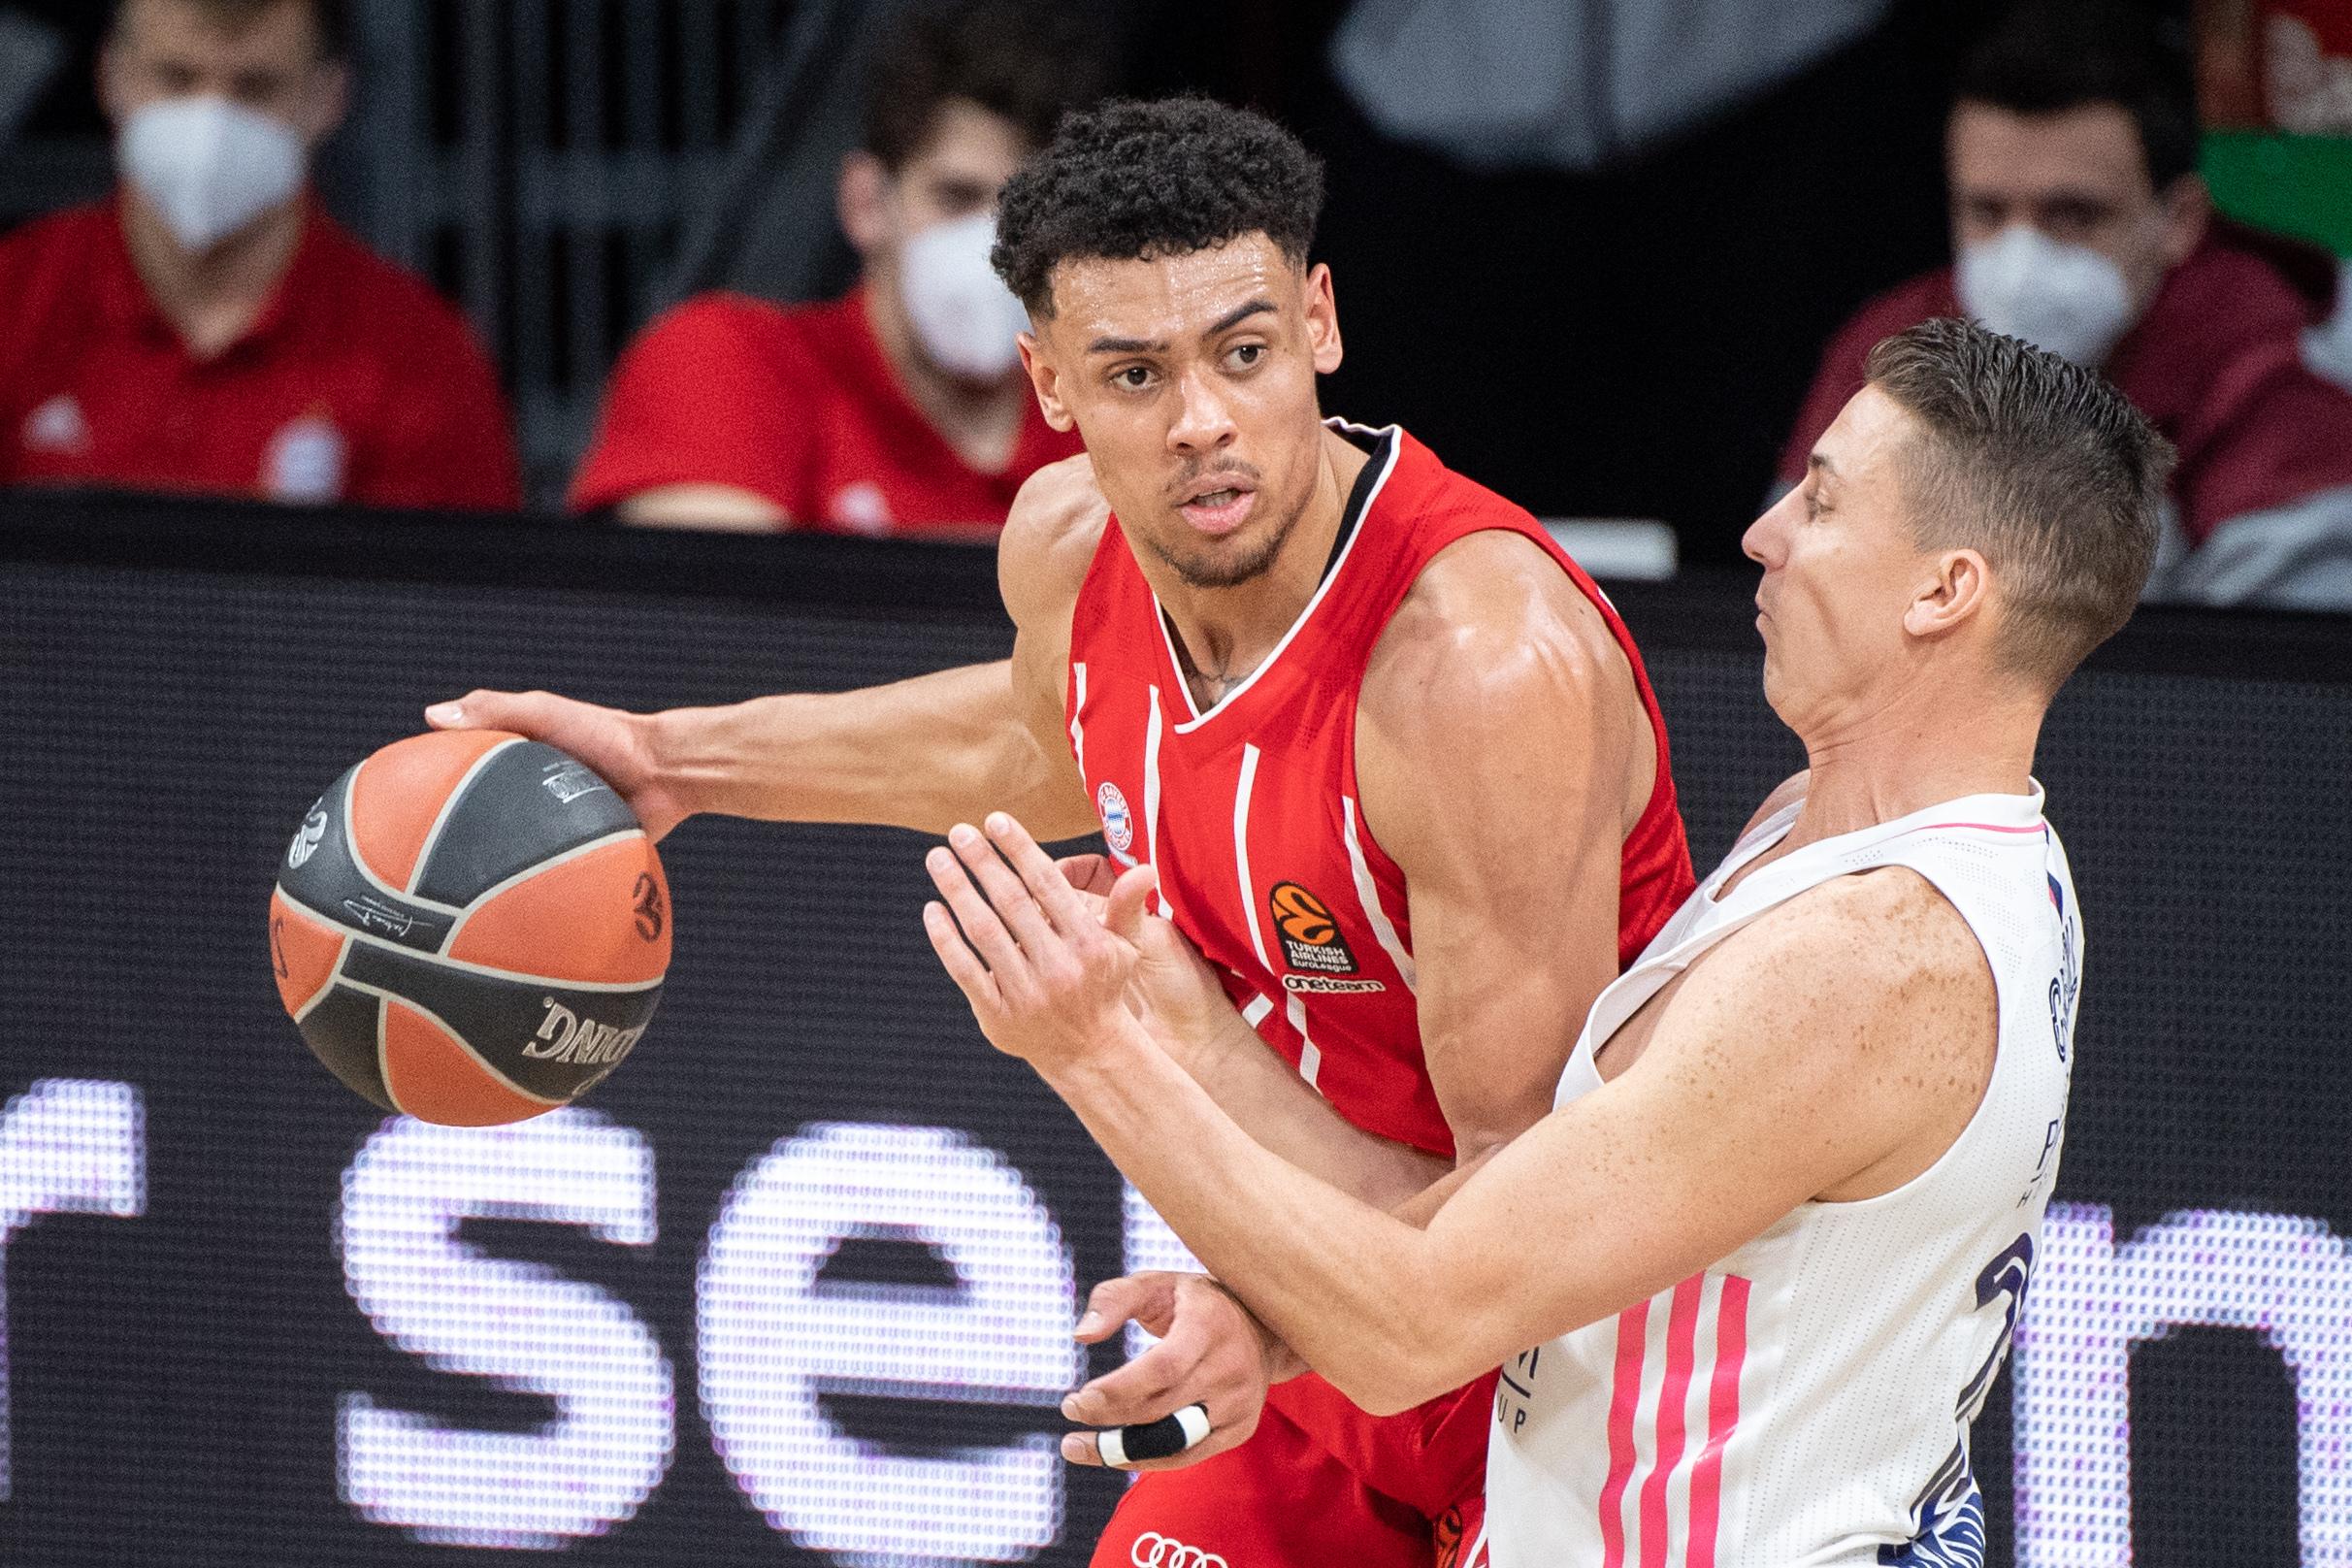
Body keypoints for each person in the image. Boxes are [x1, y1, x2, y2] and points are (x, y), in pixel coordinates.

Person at [434, 96, 1694, 1567]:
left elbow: (1523, 1247)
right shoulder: (1070, 542)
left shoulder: (1476, 673)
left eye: (1242, 351)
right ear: (1049, 382)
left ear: (1321, 322)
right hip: (1320, 1339)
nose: (1202, 421)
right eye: (1135, 374)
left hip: (1578, 1406)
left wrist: (1172, 1065)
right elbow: (1042, 736)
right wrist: (674, 761)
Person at [926, 316, 2171, 1565]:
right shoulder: (1857, 827)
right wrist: (1269, 1312)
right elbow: (1551, 1234)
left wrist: (1095, 1047)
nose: (1765, 531)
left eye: (1824, 502)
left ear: (1945, 590)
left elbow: (1418, 1328)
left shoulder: (1871, 959)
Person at [1781, 0, 2352, 609]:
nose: (2021, 260)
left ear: (2178, 221)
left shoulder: (2275, 365)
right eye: (1987, 211)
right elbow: (1793, 603)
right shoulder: (1885, 352)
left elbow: (2282, 655)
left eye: (2074, 215)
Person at [568, 0, 1106, 538]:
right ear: (866, 202)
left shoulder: (1116, 424)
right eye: (956, 197)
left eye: (1033, 211)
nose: (995, 244)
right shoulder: (725, 363)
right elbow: (710, 588)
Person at [0, 0, 521, 511]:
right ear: (112, 76)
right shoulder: (14, 300)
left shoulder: (419, 355)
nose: (211, 121)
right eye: (176, 79)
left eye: (256, 88)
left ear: (328, 95)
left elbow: (456, 568)